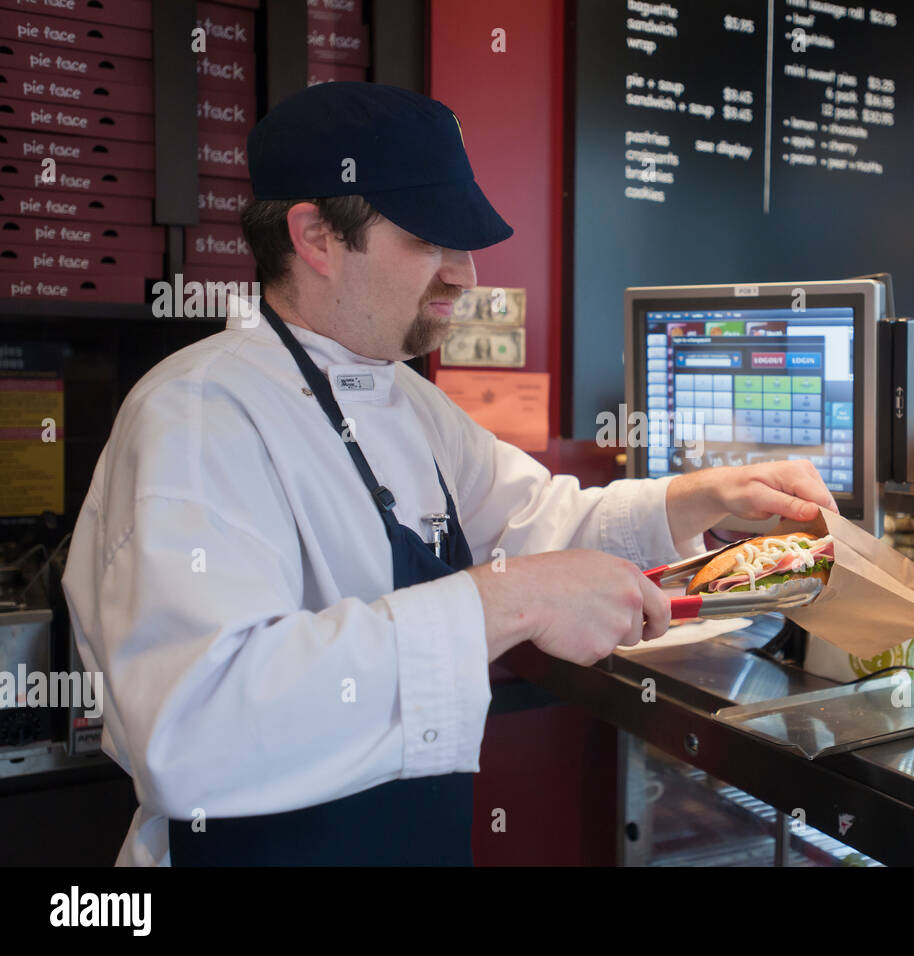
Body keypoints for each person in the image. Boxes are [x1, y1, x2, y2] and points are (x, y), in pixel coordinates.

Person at [61, 83, 836, 866]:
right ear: (317, 237)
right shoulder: (196, 417)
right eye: (433, 238)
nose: (466, 274)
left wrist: (692, 498)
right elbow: (193, 727)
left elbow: (538, 520)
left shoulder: (407, 401)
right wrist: (507, 599)